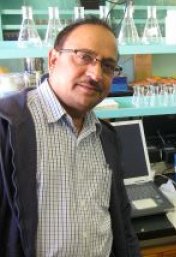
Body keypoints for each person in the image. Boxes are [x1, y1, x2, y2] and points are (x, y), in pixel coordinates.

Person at [0, 17, 140, 256]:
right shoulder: (7, 125)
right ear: (53, 59)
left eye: (107, 65)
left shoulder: (106, 137)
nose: (96, 74)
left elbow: (122, 224)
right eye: (84, 56)